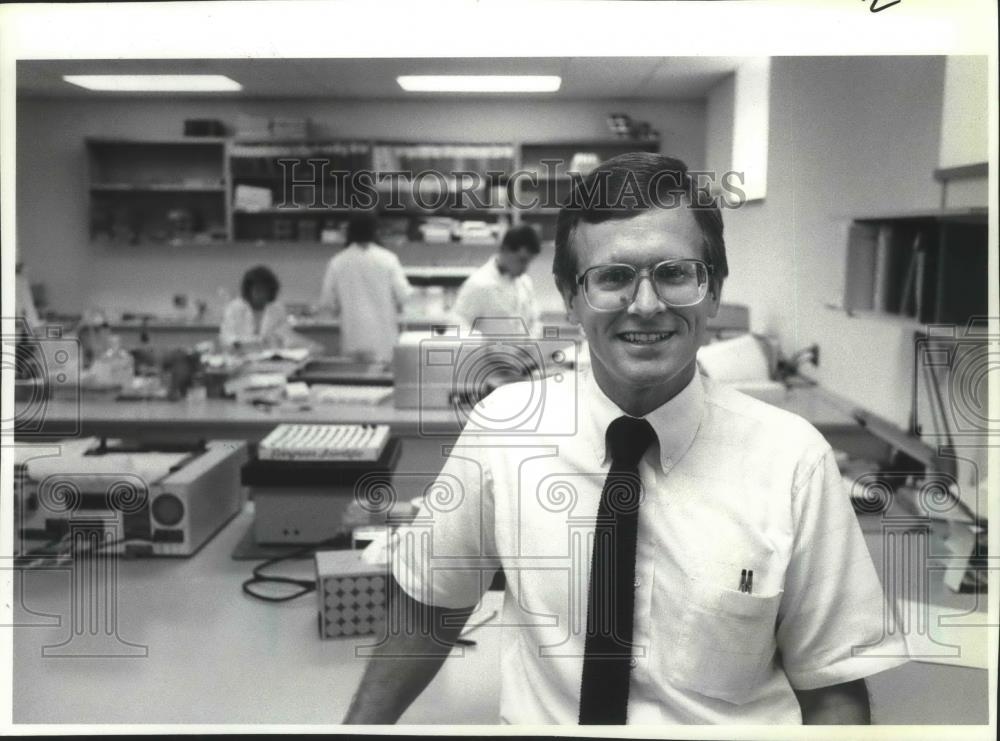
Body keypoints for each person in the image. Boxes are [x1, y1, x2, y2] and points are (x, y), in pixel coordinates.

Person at [344, 153, 907, 725]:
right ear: (570, 297)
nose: (645, 304)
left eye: (674, 273)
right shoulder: (503, 432)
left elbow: (832, 689)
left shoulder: (793, 461)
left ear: (712, 291)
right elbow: (428, 613)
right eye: (612, 277)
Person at [317, 213, 413, 363]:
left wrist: (339, 307)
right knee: (383, 382)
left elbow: (326, 302)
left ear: (349, 232)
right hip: (384, 340)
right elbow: (405, 296)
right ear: (376, 231)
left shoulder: (338, 261)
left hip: (353, 339)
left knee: (356, 382)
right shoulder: (388, 259)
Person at [450, 224, 542, 337]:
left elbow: (534, 320)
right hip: (488, 353)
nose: (525, 268)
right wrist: (478, 348)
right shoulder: (478, 284)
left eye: (529, 262)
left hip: (520, 354)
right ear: (506, 250)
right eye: (521, 260)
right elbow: (457, 324)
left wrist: (531, 341)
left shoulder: (525, 283)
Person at [219, 265, 291, 349]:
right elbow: (226, 337)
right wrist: (246, 343)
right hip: (240, 356)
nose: (261, 294)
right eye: (258, 290)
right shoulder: (234, 308)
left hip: (270, 357)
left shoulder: (278, 309)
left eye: (265, 290)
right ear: (249, 290)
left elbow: (285, 336)